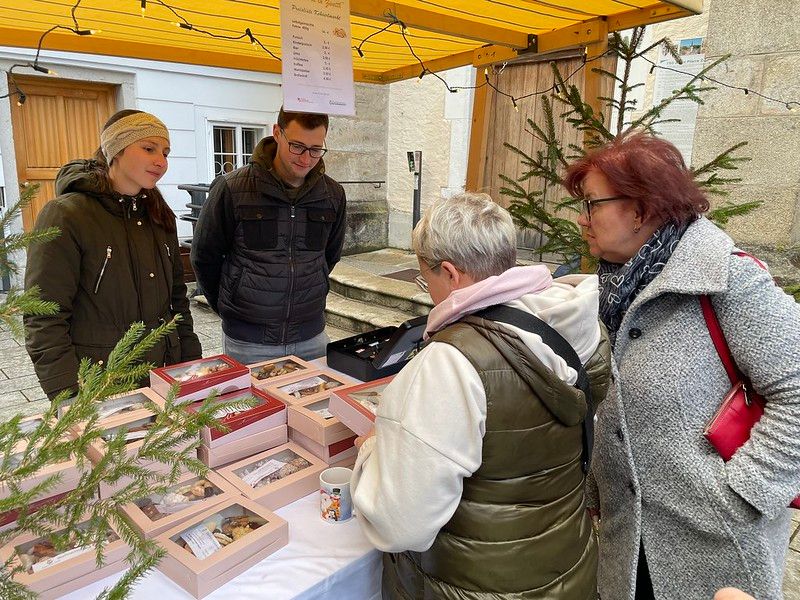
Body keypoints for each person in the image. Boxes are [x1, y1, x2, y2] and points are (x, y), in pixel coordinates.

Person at [564, 133, 800, 599]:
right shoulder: (617, 286)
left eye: (592, 204)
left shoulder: (727, 280)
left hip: (716, 549)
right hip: (630, 540)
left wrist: (742, 493)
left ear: (641, 209)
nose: (582, 219)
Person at [350, 192, 611, 599]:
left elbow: (400, 523)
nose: (428, 289)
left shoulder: (451, 363)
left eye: (425, 278)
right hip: (562, 565)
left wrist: (370, 453)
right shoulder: (572, 322)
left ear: (451, 274)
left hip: (474, 583)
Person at [24, 109, 202, 400]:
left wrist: (191, 365)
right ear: (115, 149)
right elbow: (44, 315)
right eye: (148, 149)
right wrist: (68, 396)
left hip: (163, 376)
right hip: (100, 385)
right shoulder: (68, 214)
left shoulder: (159, 216)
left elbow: (177, 302)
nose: (161, 161)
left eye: (165, 152)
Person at [191, 107, 346, 364]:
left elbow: (329, 256)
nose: (306, 159)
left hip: (311, 337)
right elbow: (204, 257)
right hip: (248, 341)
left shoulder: (333, 194)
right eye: (296, 146)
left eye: (315, 149)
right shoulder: (232, 187)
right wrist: (233, 307)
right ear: (277, 133)